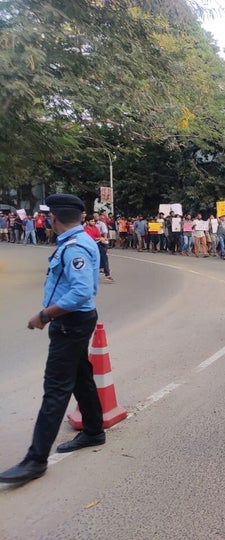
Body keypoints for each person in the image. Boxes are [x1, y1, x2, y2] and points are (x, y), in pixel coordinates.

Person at [0, 194, 105, 484]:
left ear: (53, 218)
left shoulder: (75, 247)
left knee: (56, 388)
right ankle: (94, 431)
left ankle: (35, 460)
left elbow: (81, 292)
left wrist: (45, 315)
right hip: (75, 321)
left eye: (48, 216)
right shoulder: (77, 241)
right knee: (80, 375)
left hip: (70, 322)